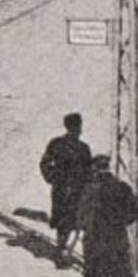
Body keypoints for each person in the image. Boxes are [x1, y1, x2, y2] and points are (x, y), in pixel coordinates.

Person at [75, 154, 138, 277]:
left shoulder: (90, 188)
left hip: (95, 234)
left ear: (95, 169)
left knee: (91, 266)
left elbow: (81, 213)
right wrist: (122, 222)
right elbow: (135, 212)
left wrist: (83, 226)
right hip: (117, 234)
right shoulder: (122, 187)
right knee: (124, 267)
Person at [40, 112, 93, 263]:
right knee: (72, 222)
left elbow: (44, 163)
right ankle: (65, 253)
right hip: (72, 191)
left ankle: (62, 251)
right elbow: (89, 172)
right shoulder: (83, 148)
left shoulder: (57, 143)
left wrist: (52, 178)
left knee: (64, 223)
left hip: (64, 190)